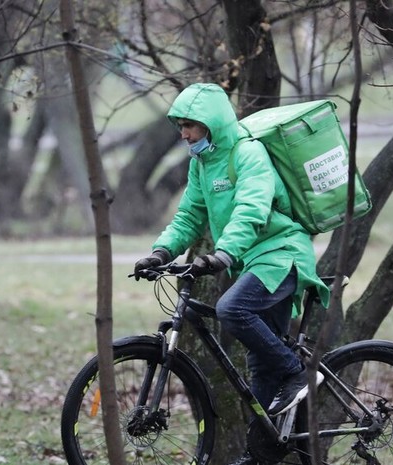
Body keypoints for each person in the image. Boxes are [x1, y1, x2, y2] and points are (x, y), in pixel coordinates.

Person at [132, 83, 329, 465]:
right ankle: (263, 453)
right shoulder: (201, 163)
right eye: (180, 126)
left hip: (280, 254)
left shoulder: (248, 153)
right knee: (260, 362)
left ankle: (298, 373)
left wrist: (223, 254)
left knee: (232, 309)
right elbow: (189, 216)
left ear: (213, 123)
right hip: (251, 260)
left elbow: (252, 210)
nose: (184, 133)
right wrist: (160, 252)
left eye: (191, 125)